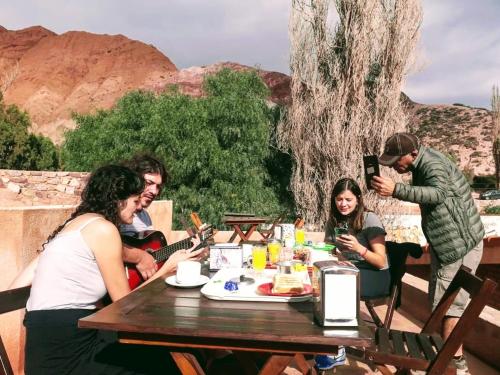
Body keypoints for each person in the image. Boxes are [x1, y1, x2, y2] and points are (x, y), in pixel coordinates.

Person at [17, 165, 193, 374]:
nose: (139, 208)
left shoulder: (78, 224)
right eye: (135, 201)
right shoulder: (103, 229)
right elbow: (125, 306)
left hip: (50, 345)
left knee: (160, 354)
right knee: (164, 361)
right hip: (68, 351)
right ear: (118, 199)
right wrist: (166, 270)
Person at [372, 132, 484, 374]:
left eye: (395, 160)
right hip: (452, 245)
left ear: (412, 153)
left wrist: (396, 190)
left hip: (458, 248)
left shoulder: (432, 164)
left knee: (447, 309)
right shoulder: (422, 163)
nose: (393, 165)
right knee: (443, 307)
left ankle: (455, 366)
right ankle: (454, 362)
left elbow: (438, 194)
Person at [315, 177, 390, 371]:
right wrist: (334, 254)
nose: (343, 204)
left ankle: (337, 348)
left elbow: (381, 262)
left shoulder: (369, 219)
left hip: (375, 274)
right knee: (316, 279)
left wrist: (359, 248)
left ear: (358, 199)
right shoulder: (334, 220)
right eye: (339, 199)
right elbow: (331, 249)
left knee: (336, 285)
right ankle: (319, 338)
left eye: (348, 199)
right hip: (350, 270)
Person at [120, 154, 205, 282]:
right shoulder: (118, 210)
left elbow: (154, 256)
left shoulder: (144, 216)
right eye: (149, 183)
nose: (154, 191)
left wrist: (188, 250)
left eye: (158, 186)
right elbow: (104, 246)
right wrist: (140, 257)